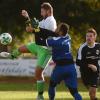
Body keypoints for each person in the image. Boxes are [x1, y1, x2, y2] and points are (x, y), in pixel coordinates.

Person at [0, 2, 57, 100]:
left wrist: (34, 28)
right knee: (21, 48)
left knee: (37, 74)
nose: (41, 13)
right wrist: (27, 18)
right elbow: (30, 28)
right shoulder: (44, 20)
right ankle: (12, 56)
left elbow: (42, 34)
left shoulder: (51, 21)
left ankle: (40, 95)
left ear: (48, 11)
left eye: (42, 11)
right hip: (39, 45)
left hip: (46, 50)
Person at [26, 23, 82, 100]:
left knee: (52, 85)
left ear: (61, 32)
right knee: (74, 92)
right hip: (71, 68)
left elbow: (39, 42)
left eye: (58, 28)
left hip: (60, 68)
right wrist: (38, 28)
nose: (55, 28)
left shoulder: (55, 41)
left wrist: (36, 30)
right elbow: (51, 33)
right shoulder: (68, 37)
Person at [76, 28, 100, 100]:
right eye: (87, 36)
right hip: (85, 72)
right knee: (91, 94)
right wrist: (89, 65)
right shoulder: (83, 47)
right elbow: (78, 62)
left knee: (92, 92)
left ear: (95, 37)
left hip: (95, 72)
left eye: (90, 36)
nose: (88, 38)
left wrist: (96, 68)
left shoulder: (98, 46)